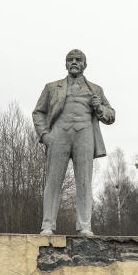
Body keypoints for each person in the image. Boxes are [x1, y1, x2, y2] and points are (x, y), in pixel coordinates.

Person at [32, 49, 115, 236]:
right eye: (70, 59)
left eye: (78, 59)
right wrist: (45, 135)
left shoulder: (95, 89)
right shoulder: (52, 87)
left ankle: (85, 226)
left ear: (85, 64)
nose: (74, 62)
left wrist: (98, 107)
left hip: (84, 134)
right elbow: (38, 112)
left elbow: (111, 116)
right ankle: (47, 225)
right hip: (59, 134)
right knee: (53, 181)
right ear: (66, 64)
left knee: (84, 182)